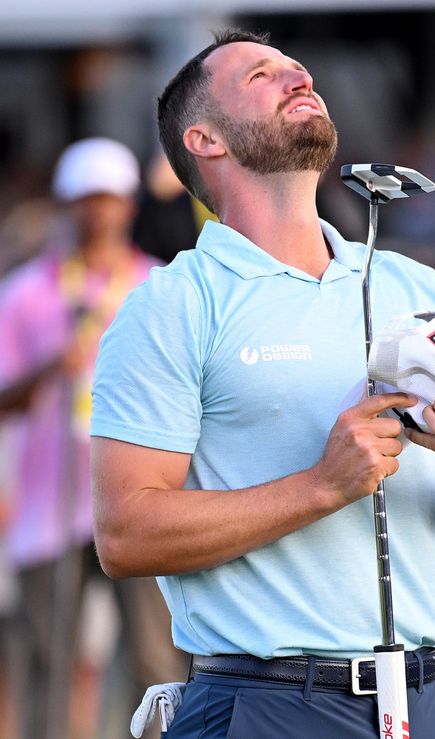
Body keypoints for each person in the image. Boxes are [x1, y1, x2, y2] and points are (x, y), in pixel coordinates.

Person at [89, 30, 435, 738]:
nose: (299, 77)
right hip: (266, 703)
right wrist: (322, 485)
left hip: (428, 700)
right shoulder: (171, 304)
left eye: (298, 69)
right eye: (263, 74)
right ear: (205, 139)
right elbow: (124, 534)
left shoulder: (415, 284)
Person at [0, 137, 185, 739]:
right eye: (85, 200)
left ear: (128, 204)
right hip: (49, 505)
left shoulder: (160, 287)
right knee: (47, 656)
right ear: (66, 205)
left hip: (140, 498)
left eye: (108, 199)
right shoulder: (28, 292)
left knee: (154, 658)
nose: (97, 213)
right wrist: (55, 362)